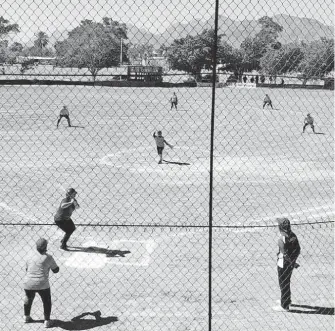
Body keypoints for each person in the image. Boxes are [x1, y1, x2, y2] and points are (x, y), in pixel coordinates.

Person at [23, 238, 59, 328]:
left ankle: (26, 317)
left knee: (28, 297)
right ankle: (47, 321)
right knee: (46, 301)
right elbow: (56, 270)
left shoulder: (29, 256)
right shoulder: (48, 257)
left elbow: (27, 270)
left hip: (28, 282)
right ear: (45, 247)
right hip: (42, 283)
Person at [275, 218, 301, 311]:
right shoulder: (293, 235)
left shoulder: (282, 238)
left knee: (283, 283)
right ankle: (287, 300)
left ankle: (284, 305)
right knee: (287, 281)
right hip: (290, 264)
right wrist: (293, 261)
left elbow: (284, 254)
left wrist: (292, 263)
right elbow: (298, 250)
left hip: (283, 264)